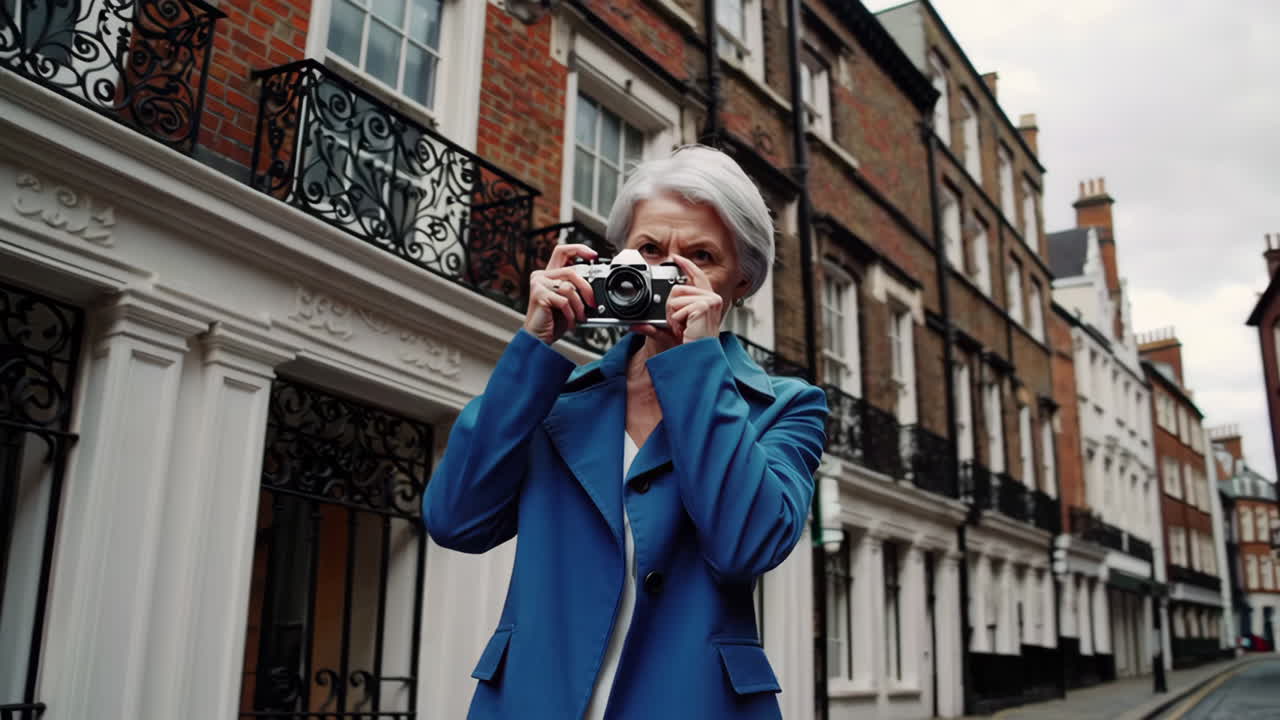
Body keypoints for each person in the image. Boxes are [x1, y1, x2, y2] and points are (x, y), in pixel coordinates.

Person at [423, 145, 828, 719]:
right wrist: (532, 347)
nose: (667, 271)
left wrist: (695, 362)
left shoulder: (788, 407)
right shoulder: (554, 397)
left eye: (701, 256)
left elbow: (746, 547)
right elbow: (456, 521)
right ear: (618, 261)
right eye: (649, 250)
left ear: (741, 282)